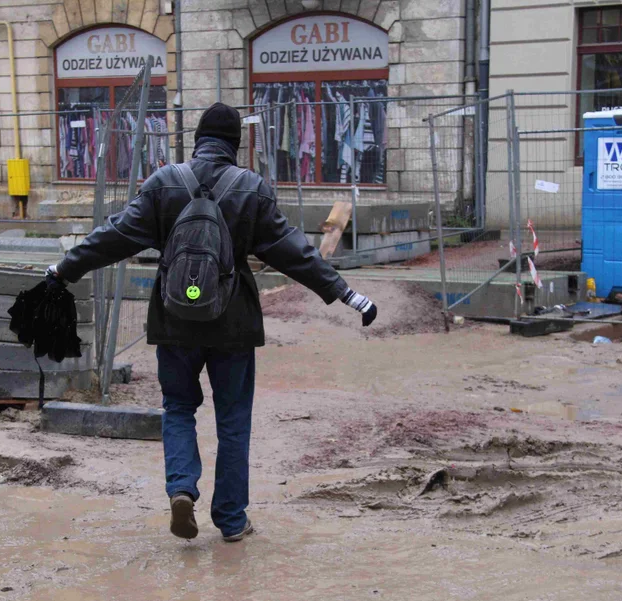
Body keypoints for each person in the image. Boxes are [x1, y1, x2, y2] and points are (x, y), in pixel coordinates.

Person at [47, 103, 377, 542]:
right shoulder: (252, 189)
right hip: (233, 322)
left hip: (174, 318)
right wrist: (346, 294)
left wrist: (63, 270)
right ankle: (232, 520)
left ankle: (182, 489)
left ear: (198, 140)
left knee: (179, 408)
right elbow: (293, 251)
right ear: (234, 146)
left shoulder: (164, 182)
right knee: (233, 420)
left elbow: (114, 236)